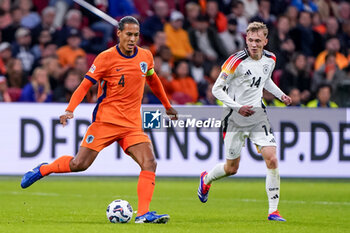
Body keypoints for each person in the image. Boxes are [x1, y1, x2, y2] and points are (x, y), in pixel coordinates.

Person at [21, 16, 178, 224]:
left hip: (131, 124)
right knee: (79, 164)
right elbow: (85, 86)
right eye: (129, 34)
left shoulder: (146, 56)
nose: (132, 39)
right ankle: (44, 169)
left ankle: (142, 214)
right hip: (106, 122)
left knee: (149, 162)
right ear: (119, 33)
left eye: (136, 35)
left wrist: (167, 106)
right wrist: (70, 110)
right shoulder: (105, 58)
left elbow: (153, 80)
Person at [197, 22, 292, 222]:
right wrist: (237, 107)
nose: (254, 44)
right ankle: (206, 179)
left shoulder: (271, 59)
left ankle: (273, 211)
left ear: (265, 41)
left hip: (257, 115)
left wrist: (281, 95)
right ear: (245, 40)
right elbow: (216, 90)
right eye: (250, 40)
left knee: (272, 158)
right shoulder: (235, 61)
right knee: (231, 168)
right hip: (234, 118)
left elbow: (265, 80)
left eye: (258, 41)